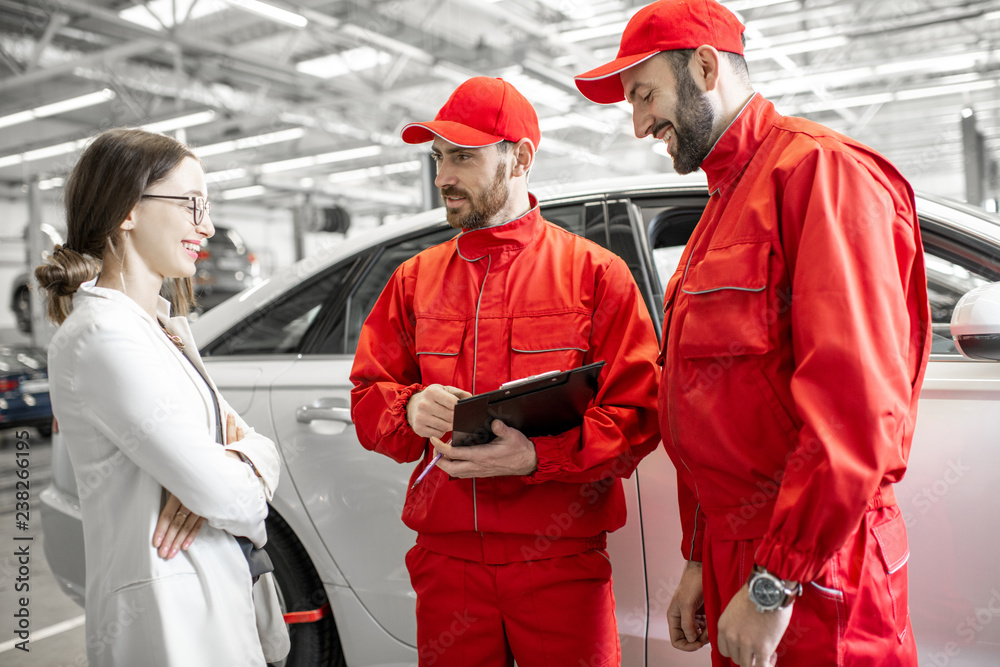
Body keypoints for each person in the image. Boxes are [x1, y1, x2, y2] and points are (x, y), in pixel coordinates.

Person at [574, 1, 931, 666]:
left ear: (705, 67)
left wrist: (773, 584)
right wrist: (698, 556)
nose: (639, 123)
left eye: (644, 94)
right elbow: (716, 409)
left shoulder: (821, 176)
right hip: (747, 555)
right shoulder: (723, 206)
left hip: (819, 568)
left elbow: (855, 411)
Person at [349, 76, 660, 666]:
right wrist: (410, 408)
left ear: (520, 158)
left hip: (560, 558)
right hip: (449, 561)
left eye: (462, 157)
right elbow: (370, 394)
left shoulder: (596, 276)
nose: (442, 176)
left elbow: (638, 415)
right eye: (438, 157)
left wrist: (540, 457)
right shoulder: (414, 281)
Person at [37, 128, 287, 666]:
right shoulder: (102, 337)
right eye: (192, 204)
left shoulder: (159, 330)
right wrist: (222, 480)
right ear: (127, 209)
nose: (209, 225)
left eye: (209, 206)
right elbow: (234, 498)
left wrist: (234, 466)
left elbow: (257, 457)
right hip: (167, 618)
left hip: (211, 595)